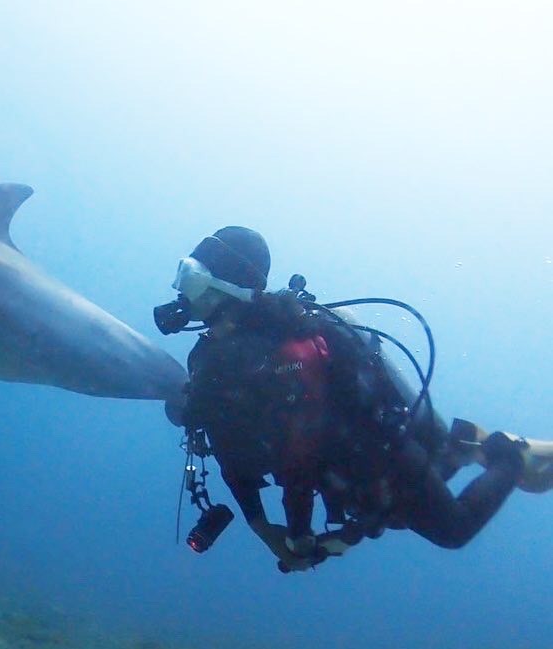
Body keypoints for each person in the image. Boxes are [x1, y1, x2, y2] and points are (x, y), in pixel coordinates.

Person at [153, 226, 551, 572]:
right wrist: (261, 526)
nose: (180, 290)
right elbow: (226, 447)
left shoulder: (287, 354)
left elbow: (300, 452)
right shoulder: (207, 359)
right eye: (183, 274)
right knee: (400, 514)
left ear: (226, 288)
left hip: (380, 455)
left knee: (453, 530)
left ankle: (508, 454)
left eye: (192, 279)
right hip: (344, 472)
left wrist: (297, 535)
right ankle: (459, 442)